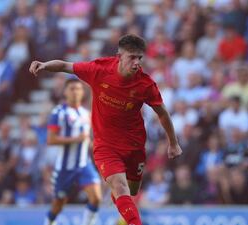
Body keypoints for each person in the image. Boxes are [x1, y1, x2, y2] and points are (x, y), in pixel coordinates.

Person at [30, 34, 182, 225]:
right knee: (120, 187)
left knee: (131, 191)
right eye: (131, 57)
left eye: (139, 58)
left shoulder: (145, 84)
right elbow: (64, 66)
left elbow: (162, 113)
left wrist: (173, 142)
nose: (136, 63)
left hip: (133, 145)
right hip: (105, 146)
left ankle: (120, 201)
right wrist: (44, 65)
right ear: (119, 56)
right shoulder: (98, 70)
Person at [44, 79, 102, 225]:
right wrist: (75, 139)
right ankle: (49, 221)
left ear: (83, 92)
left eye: (78, 89)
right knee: (59, 204)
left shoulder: (86, 114)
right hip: (65, 167)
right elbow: (51, 140)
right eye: (71, 89)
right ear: (65, 92)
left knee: (96, 198)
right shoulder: (58, 112)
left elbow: (87, 139)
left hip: (84, 164)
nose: (75, 92)